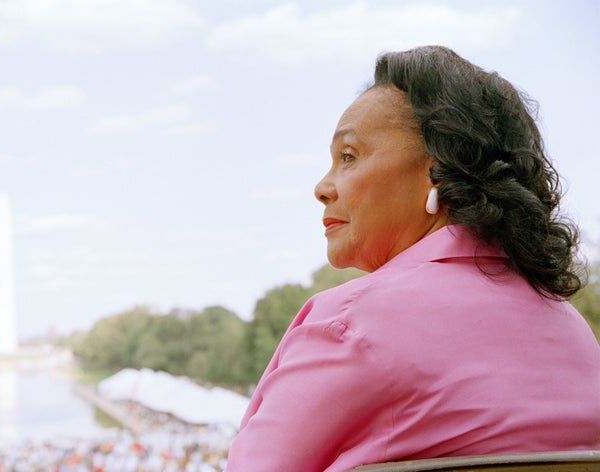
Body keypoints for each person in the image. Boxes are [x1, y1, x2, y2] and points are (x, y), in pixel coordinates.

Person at [225, 46, 600, 471]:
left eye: (348, 156)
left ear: (437, 169)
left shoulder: (350, 324)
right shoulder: (575, 334)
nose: (322, 186)